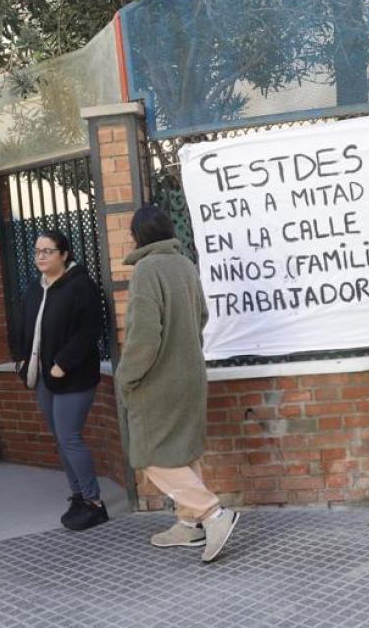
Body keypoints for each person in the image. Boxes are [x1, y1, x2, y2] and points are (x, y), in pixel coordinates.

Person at [116, 205, 240, 563]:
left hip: (159, 380)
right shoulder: (185, 265)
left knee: (151, 453)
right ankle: (188, 524)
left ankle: (213, 514)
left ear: (139, 235)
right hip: (190, 373)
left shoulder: (146, 269)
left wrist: (128, 376)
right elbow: (202, 315)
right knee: (183, 449)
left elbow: (143, 337)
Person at [11, 229, 109, 531]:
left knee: (70, 437)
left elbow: (90, 330)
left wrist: (62, 363)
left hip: (74, 378)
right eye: (37, 251)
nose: (40, 256)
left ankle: (94, 502)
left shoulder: (81, 286)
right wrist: (23, 359)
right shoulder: (35, 287)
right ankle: (78, 495)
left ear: (64, 254)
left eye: (48, 251)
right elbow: (24, 325)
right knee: (61, 440)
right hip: (43, 378)